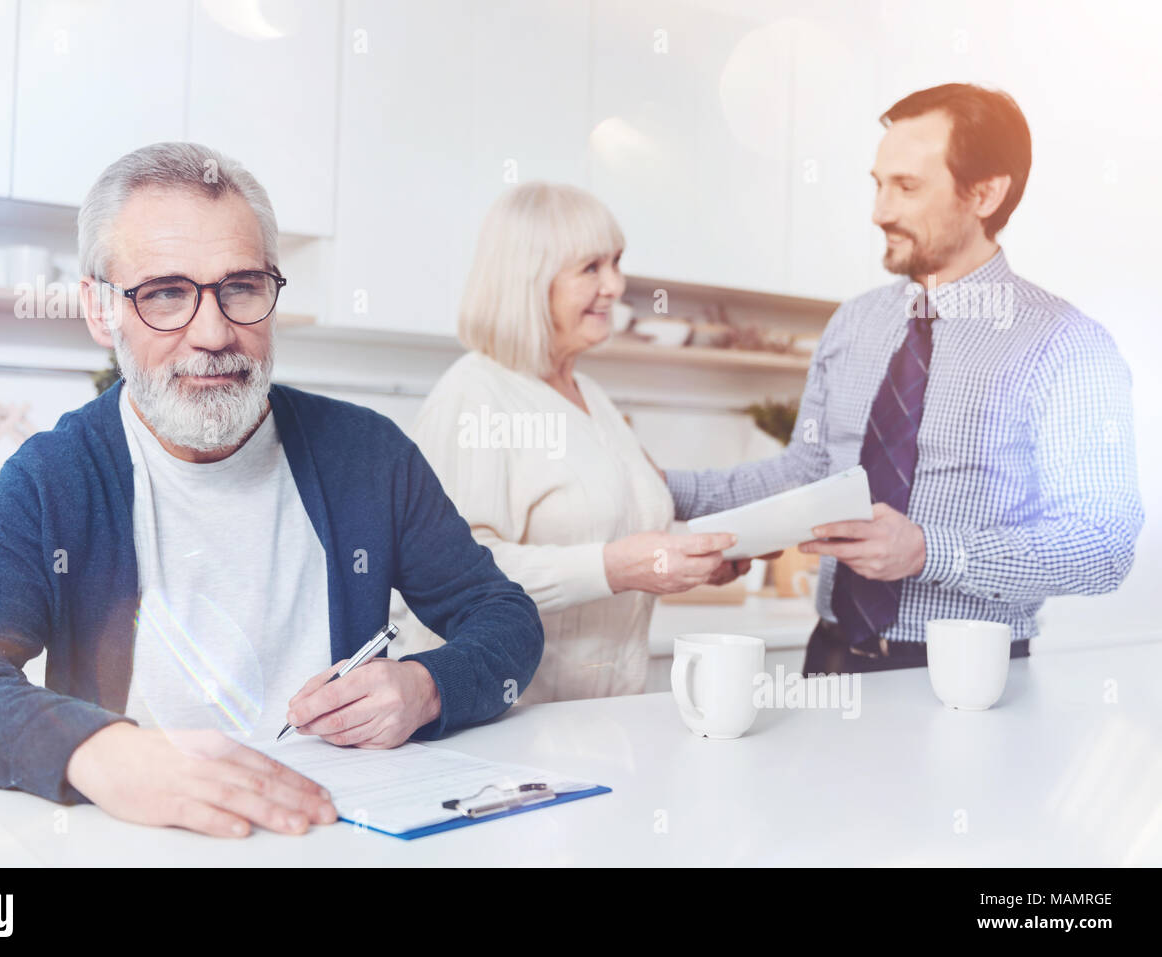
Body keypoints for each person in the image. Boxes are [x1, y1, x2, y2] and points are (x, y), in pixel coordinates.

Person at [0, 142, 544, 838]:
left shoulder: (367, 453)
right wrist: (103, 750)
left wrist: (427, 686)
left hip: (335, 835)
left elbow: (505, 617)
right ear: (99, 309)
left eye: (240, 287)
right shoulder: (52, 480)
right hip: (136, 843)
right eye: (166, 294)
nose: (212, 332)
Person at [665, 83, 1143, 675]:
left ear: (986, 193)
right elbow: (804, 473)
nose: (880, 212)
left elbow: (1103, 544)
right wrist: (660, 486)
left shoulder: (1069, 346)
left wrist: (926, 550)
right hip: (831, 656)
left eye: (908, 187)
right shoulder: (855, 323)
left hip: (965, 675)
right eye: (878, 183)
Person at [391, 182, 749, 705]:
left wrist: (689, 562)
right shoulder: (475, 393)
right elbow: (451, 576)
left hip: (604, 717)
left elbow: (616, 535)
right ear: (528, 282)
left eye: (617, 263)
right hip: (509, 728)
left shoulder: (593, 398)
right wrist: (618, 566)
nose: (615, 286)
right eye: (591, 268)